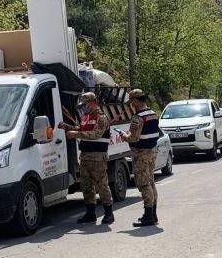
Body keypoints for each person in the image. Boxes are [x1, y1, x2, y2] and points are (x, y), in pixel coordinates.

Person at [59, 92, 114, 225]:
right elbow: (81, 128)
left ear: (92, 102)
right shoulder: (86, 116)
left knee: (101, 185)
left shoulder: (101, 118)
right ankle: (90, 213)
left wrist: (76, 134)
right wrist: (67, 127)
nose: (83, 108)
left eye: (85, 105)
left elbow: (96, 134)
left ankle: (108, 213)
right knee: (86, 186)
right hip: (85, 156)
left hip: (97, 156)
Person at [117, 89, 160, 227]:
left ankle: (148, 216)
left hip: (141, 153)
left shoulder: (138, 117)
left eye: (131, 102)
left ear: (135, 101)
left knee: (144, 184)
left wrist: (124, 135)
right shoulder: (153, 114)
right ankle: (152, 214)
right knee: (150, 182)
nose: (131, 104)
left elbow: (133, 138)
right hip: (152, 151)